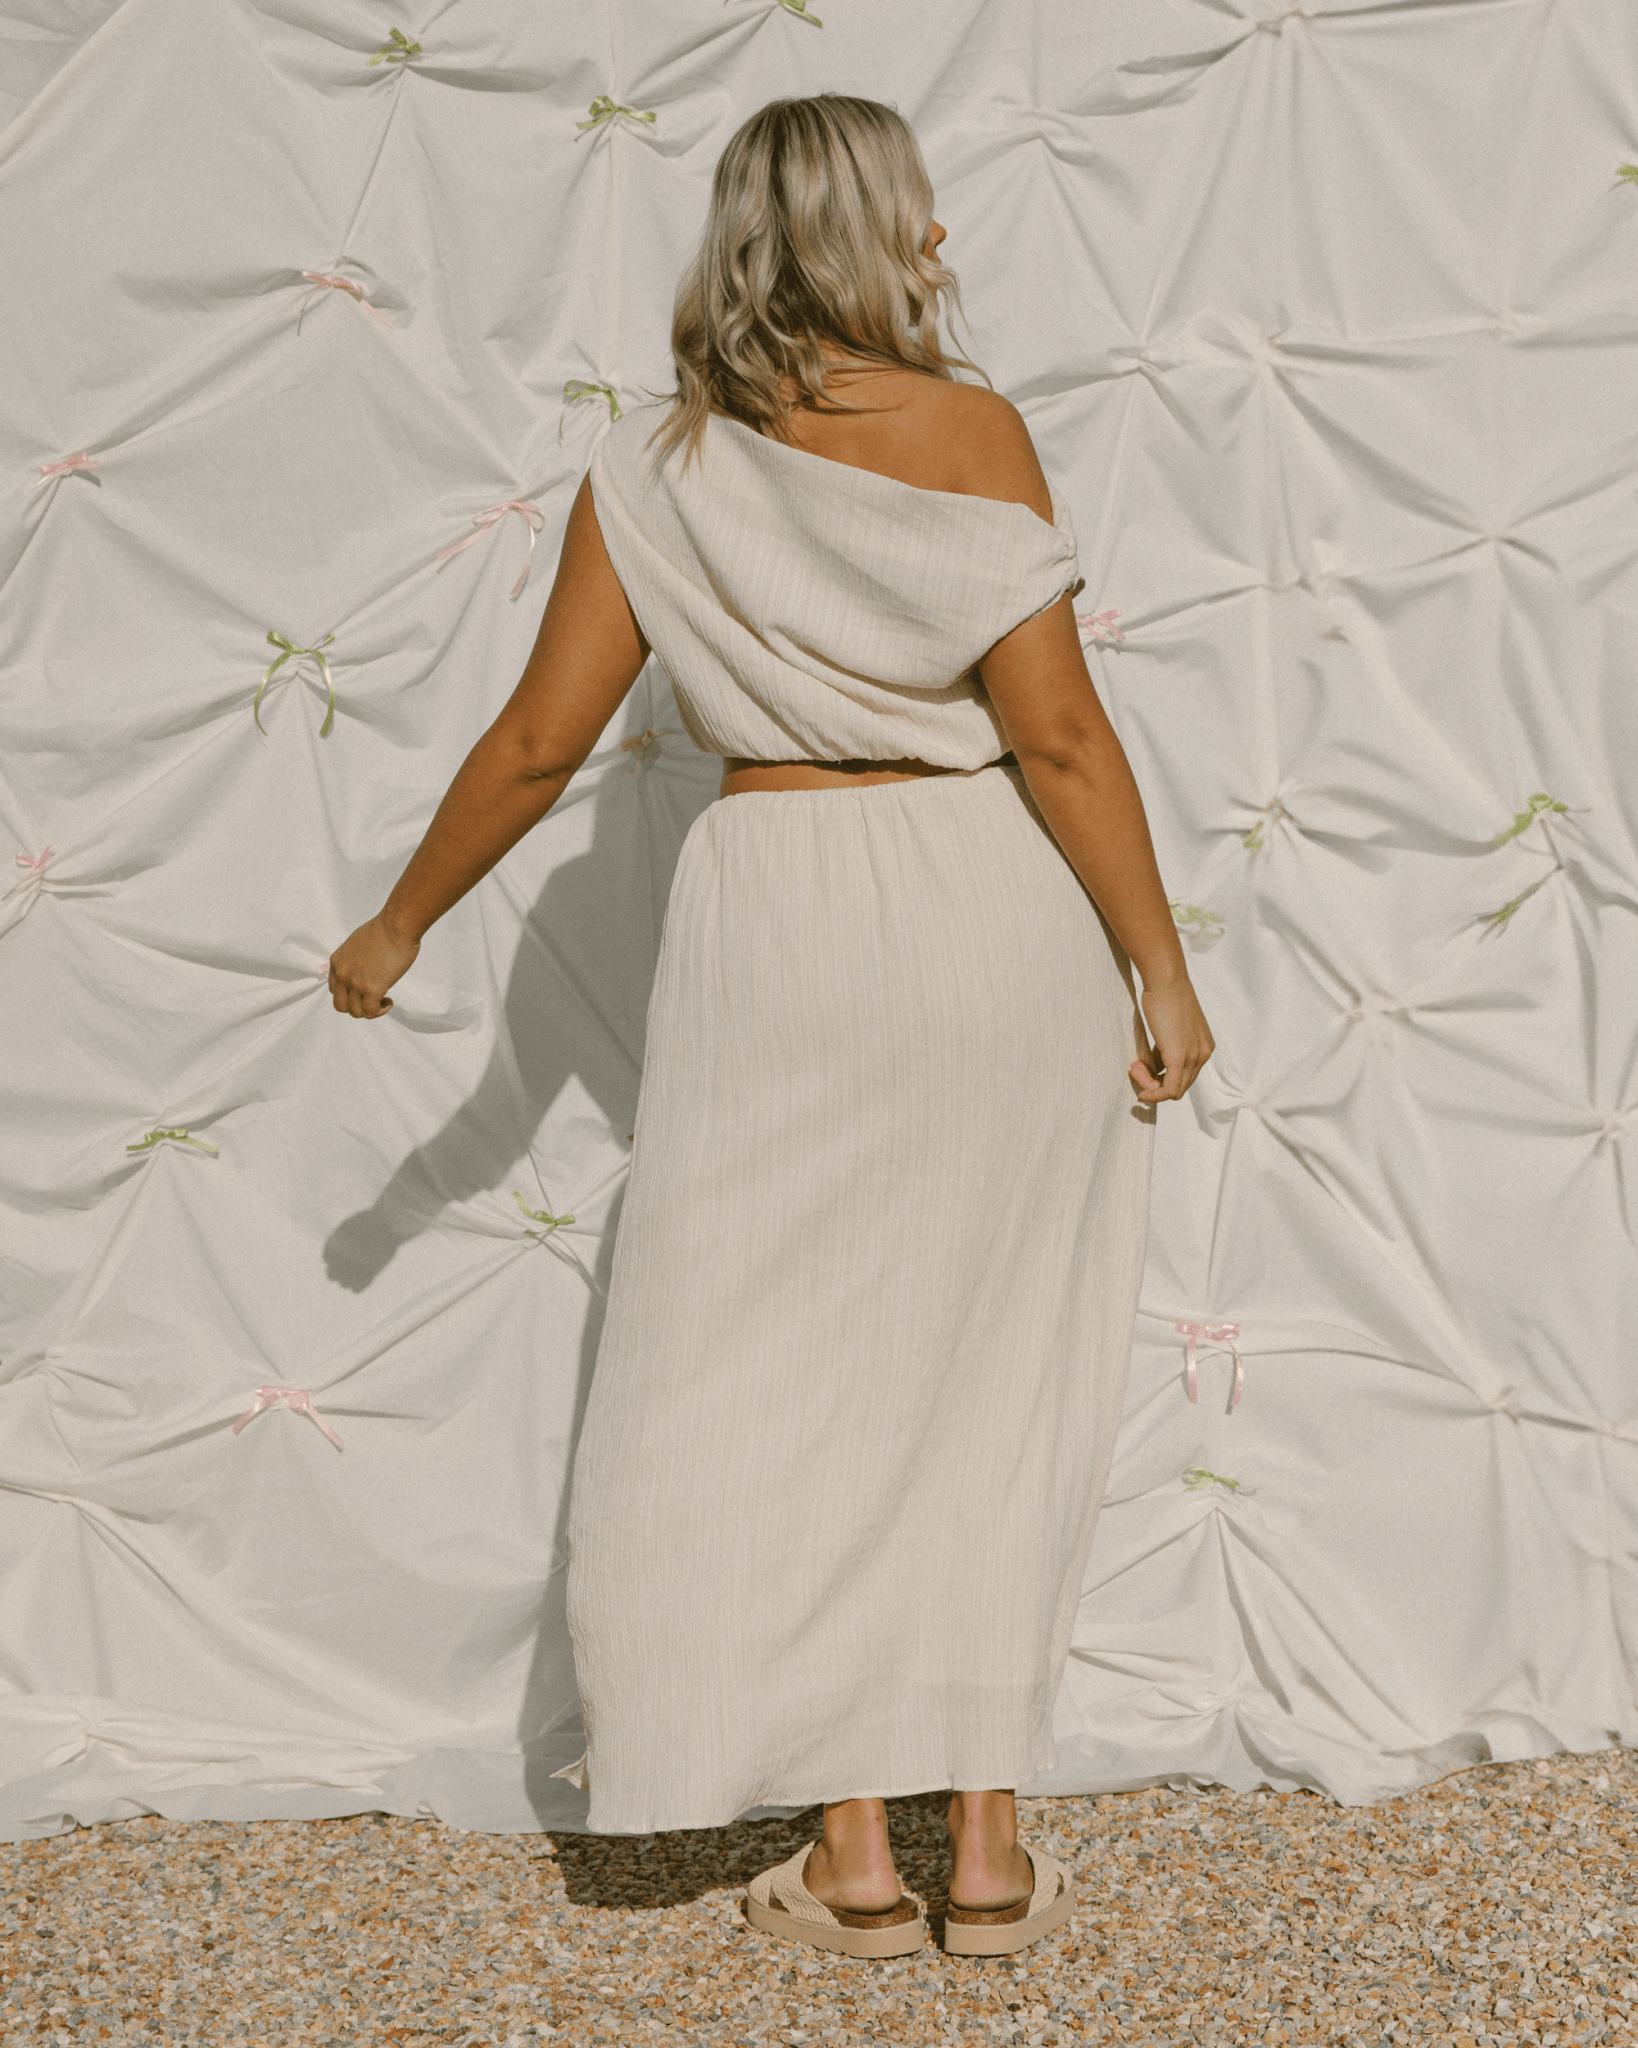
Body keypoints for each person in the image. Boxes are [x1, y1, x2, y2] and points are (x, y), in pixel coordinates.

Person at [329, 93, 1214, 1961]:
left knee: (786, 1358)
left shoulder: (652, 472)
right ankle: (980, 1846)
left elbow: (535, 742)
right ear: (871, 232)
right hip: (988, 917)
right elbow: (1054, 736)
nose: (947, 245)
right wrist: (1158, 960)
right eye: (924, 215)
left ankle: (849, 1852)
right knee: (994, 1354)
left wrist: (400, 920)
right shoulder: (974, 434)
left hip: (778, 916)